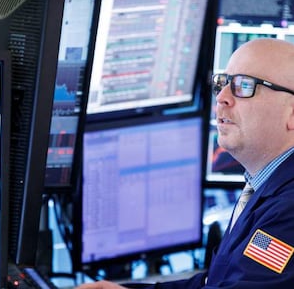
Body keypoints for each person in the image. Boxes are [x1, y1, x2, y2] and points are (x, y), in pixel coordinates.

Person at [76, 38, 294, 288]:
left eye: (244, 86)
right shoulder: (265, 186)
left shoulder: (288, 210)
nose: (221, 98)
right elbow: (217, 282)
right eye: (222, 83)